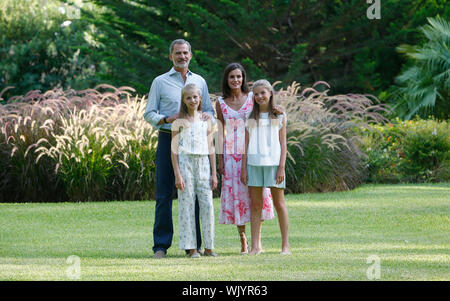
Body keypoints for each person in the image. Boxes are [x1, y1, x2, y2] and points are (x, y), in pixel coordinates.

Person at [144, 39, 215, 259]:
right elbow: (149, 113)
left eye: (185, 53)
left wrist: (206, 117)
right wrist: (168, 118)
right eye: (177, 53)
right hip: (169, 139)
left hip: (196, 144)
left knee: (195, 195)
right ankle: (161, 246)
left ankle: (193, 246)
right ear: (171, 56)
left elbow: (210, 111)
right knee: (164, 194)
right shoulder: (160, 82)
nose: (182, 56)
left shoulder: (200, 81)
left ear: (191, 55)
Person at [216, 63, 274, 255]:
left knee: (257, 192)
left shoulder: (252, 97)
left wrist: (279, 108)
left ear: (243, 78)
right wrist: (220, 158)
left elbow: (267, 106)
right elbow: (220, 131)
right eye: (232, 77)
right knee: (237, 195)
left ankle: (257, 240)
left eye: (239, 76)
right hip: (231, 153)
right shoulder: (221, 102)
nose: (235, 80)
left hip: (254, 148)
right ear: (227, 79)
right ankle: (243, 238)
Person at [240, 79, 290, 255]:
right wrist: (244, 168)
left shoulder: (279, 116)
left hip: (274, 164)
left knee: (279, 204)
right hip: (254, 164)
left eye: (263, 93)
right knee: (255, 205)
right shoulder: (249, 117)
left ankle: (285, 246)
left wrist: (281, 167)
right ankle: (255, 247)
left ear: (270, 94)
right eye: (256, 94)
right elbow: (245, 145)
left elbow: (283, 144)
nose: (260, 96)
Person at [171, 84, 218, 258]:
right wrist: (177, 174)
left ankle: (209, 247)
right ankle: (191, 248)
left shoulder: (206, 120)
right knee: (187, 205)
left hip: (203, 163)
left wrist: (214, 173)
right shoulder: (179, 122)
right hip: (185, 164)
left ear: (200, 99)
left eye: (195, 97)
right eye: (188, 97)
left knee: (207, 204)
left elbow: (211, 146)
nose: (192, 100)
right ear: (184, 100)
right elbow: (174, 150)